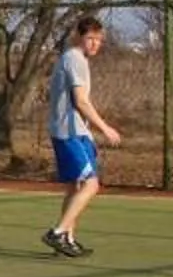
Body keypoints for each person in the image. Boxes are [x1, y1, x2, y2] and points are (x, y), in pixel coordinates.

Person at [41, 13, 122, 259]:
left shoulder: (75, 59)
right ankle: (58, 232)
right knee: (91, 184)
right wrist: (105, 128)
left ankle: (67, 238)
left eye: (99, 39)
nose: (95, 44)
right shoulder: (75, 59)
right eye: (90, 39)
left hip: (77, 132)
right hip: (69, 133)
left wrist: (89, 132)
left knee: (75, 186)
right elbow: (81, 102)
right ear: (79, 37)